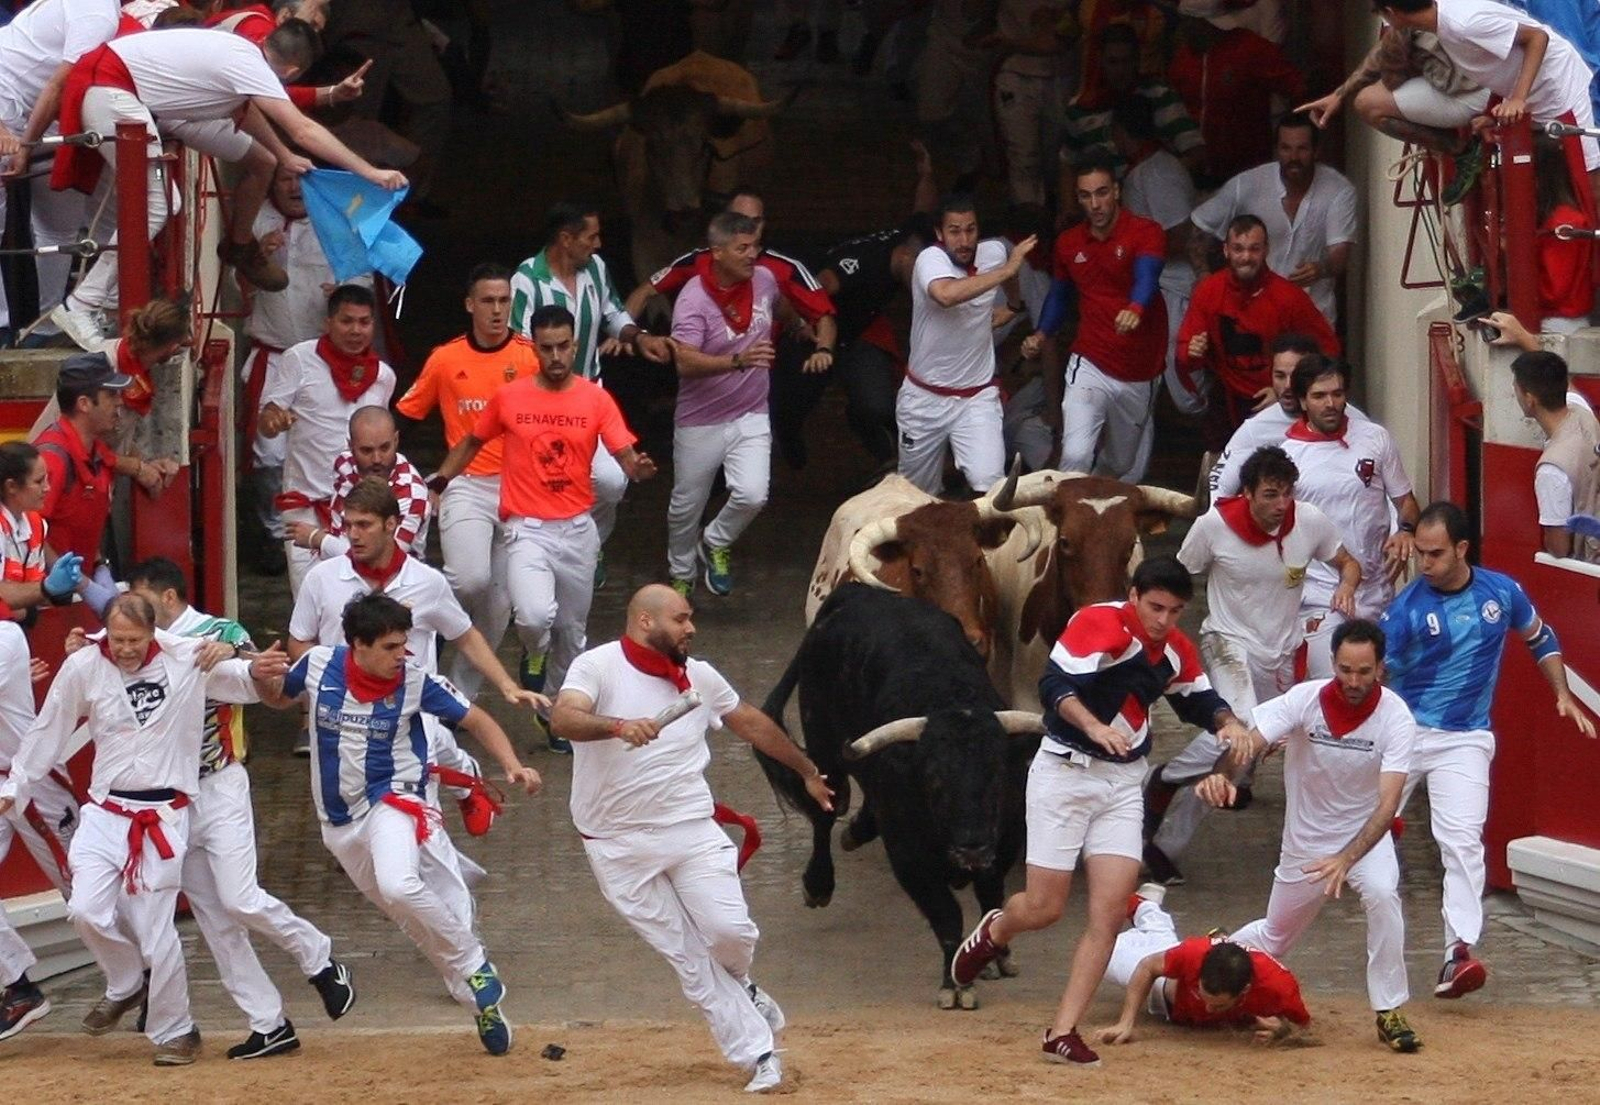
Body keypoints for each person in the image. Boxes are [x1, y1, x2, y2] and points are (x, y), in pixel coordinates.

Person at [949, 556, 1247, 1069]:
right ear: (1134, 596)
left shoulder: (1174, 649)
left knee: (1108, 914)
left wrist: (1228, 722)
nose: (1163, 620)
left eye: (1175, 611)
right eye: (1155, 607)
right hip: (1066, 774)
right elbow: (1055, 686)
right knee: (1045, 908)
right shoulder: (1097, 623)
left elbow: (1199, 700)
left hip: (1123, 783)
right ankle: (997, 930)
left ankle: (1062, 1032)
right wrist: (1093, 727)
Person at [550, 583, 833, 1094]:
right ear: (645, 621)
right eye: (681, 619)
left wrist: (807, 770)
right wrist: (617, 726)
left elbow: (751, 723)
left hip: (690, 829)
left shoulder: (699, 675)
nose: (691, 628)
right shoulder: (597, 666)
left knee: (730, 933)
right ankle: (759, 1054)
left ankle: (742, 985)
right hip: (614, 843)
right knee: (689, 957)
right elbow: (563, 717)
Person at [0, 593, 287, 1065]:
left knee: (155, 931)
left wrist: (254, 666)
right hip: (104, 812)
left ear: (153, 633)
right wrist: (17, 785)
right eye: (118, 639)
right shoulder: (85, 665)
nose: (125, 649)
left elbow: (243, 681)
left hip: (164, 816)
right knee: (85, 910)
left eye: (134, 640)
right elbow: (48, 729)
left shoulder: (186, 658)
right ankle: (126, 981)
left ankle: (177, 1032)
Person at [88, 559, 354, 1059]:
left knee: (240, 898)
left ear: (168, 598)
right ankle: (269, 1022)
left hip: (219, 785)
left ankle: (318, 957)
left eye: (143, 601)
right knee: (214, 917)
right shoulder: (140, 644)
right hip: (171, 801)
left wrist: (235, 652)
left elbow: (265, 681)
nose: (135, 615)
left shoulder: (217, 632)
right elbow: (96, 651)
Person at [278, 592, 541, 1055]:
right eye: (391, 647)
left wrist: (512, 764)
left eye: (404, 644)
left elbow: (477, 720)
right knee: (409, 918)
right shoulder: (318, 664)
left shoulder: (416, 681)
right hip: (337, 822)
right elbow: (277, 697)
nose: (403, 654)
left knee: (400, 886)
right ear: (358, 645)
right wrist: (256, 673)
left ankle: (475, 965)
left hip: (395, 799)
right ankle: (479, 999)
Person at [46, 24, 406, 350]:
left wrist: (282, 155)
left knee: (260, 162)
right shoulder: (250, 65)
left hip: (137, 101)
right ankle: (82, 304)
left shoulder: (246, 52)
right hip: (114, 93)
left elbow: (246, 112)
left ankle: (239, 245)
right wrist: (371, 173)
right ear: (293, 72)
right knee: (158, 202)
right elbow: (303, 130)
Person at [1379, 502, 1596, 997]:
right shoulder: (1406, 610)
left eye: (1435, 554)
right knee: (1358, 835)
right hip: (1404, 734)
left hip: (1465, 739)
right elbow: (1373, 676)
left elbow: (1540, 636)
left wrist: (1561, 692)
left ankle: (1458, 953)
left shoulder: (1502, 592)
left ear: (1461, 549)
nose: (1424, 563)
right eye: (1420, 553)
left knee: (1461, 842)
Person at [1199, 619, 1422, 1054]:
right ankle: (1213, 952)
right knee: (1276, 937)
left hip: (1366, 838)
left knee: (1382, 895)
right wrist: (1223, 775)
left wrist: (1346, 859)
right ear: (1333, 663)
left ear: (1381, 668)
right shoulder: (1304, 699)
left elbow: (1388, 804)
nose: (1353, 682)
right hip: (1305, 841)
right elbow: (1249, 743)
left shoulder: (1396, 718)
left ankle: (1389, 1009)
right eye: (1345, 670)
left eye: (1364, 671)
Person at [1143, 445, 1362, 885]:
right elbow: (1176, 579)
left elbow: (1348, 562)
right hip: (1228, 642)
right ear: (1246, 493)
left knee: (1240, 756)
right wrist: (1163, 639)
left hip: (1281, 653)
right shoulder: (1213, 527)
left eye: (1287, 494)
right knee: (1241, 725)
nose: (1281, 505)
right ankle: (1166, 784)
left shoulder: (1309, 521)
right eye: (1270, 495)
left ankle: (1165, 827)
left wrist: (1346, 587)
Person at [427, 305, 655, 726]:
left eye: (563, 347)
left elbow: (624, 455)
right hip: (526, 529)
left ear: (575, 346)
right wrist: (441, 480)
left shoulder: (595, 398)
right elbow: (472, 442)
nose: (555, 356)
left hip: (578, 529)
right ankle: (534, 650)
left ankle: (557, 711)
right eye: (546, 348)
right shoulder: (510, 397)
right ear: (534, 348)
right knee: (533, 617)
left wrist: (637, 469)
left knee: (572, 632)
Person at [396, 263, 538, 698]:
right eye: (488, 301)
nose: (497, 310)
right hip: (466, 483)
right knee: (469, 580)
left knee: (500, 604)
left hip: (520, 487)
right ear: (469, 305)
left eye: (504, 301)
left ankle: (457, 695)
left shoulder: (531, 357)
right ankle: (434, 626)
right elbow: (405, 416)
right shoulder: (445, 358)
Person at [510, 202, 672, 556]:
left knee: (612, 482)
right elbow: (518, 347)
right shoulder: (526, 279)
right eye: (592, 237)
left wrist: (639, 338)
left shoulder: (596, 268)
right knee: (548, 482)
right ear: (566, 239)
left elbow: (612, 312)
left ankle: (589, 548)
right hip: (541, 403)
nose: (598, 244)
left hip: (588, 394)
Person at [242, 165, 373, 575]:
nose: (293, 187)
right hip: (275, 354)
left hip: (325, 360)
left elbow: (363, 279)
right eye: (284, 178)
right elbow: (235, 284)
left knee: (331, 449)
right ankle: (273, 533)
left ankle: (337, 528)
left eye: (301, 179)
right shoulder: (255, 218)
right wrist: (257, 258)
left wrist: (346, 290)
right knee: (268, 455)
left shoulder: (336, 220)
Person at [1022, 155, 1166, 480]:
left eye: (1102, 193)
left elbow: (1148, 276)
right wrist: (1041, 334)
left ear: (1116, 191)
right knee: (1075, 455)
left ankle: (1092, 493)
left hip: (1139, 369)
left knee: (1120, 464)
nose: (1095, 204)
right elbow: (1059, 295)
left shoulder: (1146, 231)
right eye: (1086, 196)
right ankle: (1067, 510)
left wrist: (1136, 308)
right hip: (1091, 361)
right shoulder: (1068, 243)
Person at [1373, 0, 1600, 203]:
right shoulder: (1444, 21)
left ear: (1392, 13)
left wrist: (1518, 98)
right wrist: (1493, 112)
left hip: (1561, 86)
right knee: (1561, 178)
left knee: (1589, 177)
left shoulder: (1464, 24)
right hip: (1537, 91)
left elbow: (1538, 38)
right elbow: (1495, 66)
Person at [1278, 355, 1419, 678]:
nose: (1330, 404)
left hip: (1378, 592)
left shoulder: (1375, 438)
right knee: (1336, 683)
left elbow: (1406, 502)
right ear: (1302, 401)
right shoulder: (1287, 456)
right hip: (1320, 595)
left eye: (1337, 394)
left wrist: (1406, 530)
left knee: (1379, 688)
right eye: (1319, 396)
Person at [664, 212, 781, 596]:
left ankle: (715, 540)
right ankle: (681, 574)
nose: (752, 255)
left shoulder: (764, 281)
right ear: (717, 252)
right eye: (742, 248)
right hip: (701, 419)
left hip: (751, 412)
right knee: (686, 506)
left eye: (755, 246)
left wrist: (802, 327)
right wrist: (737, 361)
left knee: (753, 494)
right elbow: (684, 362)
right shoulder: (693, 299)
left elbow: (781, 308)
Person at [258, 283, 396, 598]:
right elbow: (267, 420)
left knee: (360, 595)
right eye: (347, 321)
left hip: (359, 507)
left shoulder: (384, 376)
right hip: (305, 503)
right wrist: (275, 421)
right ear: (328, 322)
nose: (356, 330)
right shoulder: (298, 359)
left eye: (364, 322)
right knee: (309, 595)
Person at [898, 196, 1034, 496]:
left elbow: (1007, 268)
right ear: (939, 233)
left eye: (971, 230)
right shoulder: (929, 260)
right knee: (915, 494)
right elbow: (946, 294)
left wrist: (1013, 305)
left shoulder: (994, 252)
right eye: (955, 231)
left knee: (991, 486)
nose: (964, 240)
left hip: (977, 398)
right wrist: (1006, 271)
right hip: (924, 398)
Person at [0, 0, 117, 341]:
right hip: (13, 96)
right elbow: (60, 84)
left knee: (58, 228)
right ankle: (13, 327)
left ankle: (44, 325)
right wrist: (26, 147)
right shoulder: (97, 10)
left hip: (32, 105)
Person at [35, 353, 178, 616]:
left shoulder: (96, 452)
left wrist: (99, 566)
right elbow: (30, 535)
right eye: (111, 395)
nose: (120, 402)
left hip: (73, 596)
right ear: (84, 404)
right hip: (48, 603)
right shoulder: (53, 460)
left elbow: (82, 520)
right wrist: (72, 582)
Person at [1175, 215, 1338, 441]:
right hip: (1228, 397)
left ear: (1266, 250)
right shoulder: (1209, 291)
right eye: (1238, 249)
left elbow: (1328, 351)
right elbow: (1185, 352)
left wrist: (1286, 390)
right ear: (1226, 251)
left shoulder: (1288, 297)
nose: (1246, 257)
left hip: (1280, 403)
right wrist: (1192, 351)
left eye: (1254, 249)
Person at [1190, 112, 1358, 326]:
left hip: (1314, 316)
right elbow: (1200, 226)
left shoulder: (1338, 190)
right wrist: (1205, 277)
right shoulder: (1248, 183)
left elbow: (1340, 254)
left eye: (1302, 149)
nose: (1293, 157)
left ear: (1316, 151)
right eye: (1286, 148)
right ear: (1276, 150)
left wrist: (1320, 268)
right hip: (1253, 317)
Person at [1098, 883, 1312, 1046]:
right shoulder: (1194, 954)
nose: (1209, 1008)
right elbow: (1147, 966)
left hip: (1185, 960)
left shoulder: (1280, 987)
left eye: (1218, 1005)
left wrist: (1283, 1031)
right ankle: (1144, 907)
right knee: (1103, 954)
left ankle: (1150, 911)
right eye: (1202, 995)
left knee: (1163, 944)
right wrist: (1125, 1023)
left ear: (1245, 989)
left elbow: (1303, 1027)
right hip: (1164, 989)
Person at [0, 620, 74, 1041]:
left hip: (32, 778)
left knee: (83, 888)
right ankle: (19, 986)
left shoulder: (5, 636)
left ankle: (147, 974)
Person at [1114, 96, 1203, 418]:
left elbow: (1181, 233)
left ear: (1121, 131)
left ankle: (1215, 431)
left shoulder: (1158, 171)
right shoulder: (1145, 168)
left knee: (1187, 386)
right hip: (1155, 288)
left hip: (1175, 287)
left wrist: (1134, 255)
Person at [1207, 333, 1370, 498]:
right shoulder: (1255, 429)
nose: (1288, 385)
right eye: (1280, 376)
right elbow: (1220, 487)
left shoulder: (1356, 421)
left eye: (1295, 376)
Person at [1298, 21, 1487, 154]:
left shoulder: (1403, 10)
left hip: (1479, 92)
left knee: (1368, 102)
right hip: (1493, 75)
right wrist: (1340, 94)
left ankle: (1464, 151)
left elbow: (1392, 79)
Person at [1167, 13, 1304, 186]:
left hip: (1246, 171)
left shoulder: (1250, 49)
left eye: (1190, 22)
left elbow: (1296, 88)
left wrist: (1295, 139)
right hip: (1194, 174)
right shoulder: (1183, 58)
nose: (1184, 29)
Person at [1061, 22, 1205, 184]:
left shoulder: (1160, 97)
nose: (1120, 70)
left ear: (1137, 60)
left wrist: (1156, 180)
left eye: (1126, 61)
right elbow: (1068, 164)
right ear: (1100, 60)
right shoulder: (1079, 108)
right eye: (1113, 62)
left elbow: (1196, 154)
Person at [288, 406, 429, 560]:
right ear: (351, 446)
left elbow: (385, 558)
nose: (377, 459)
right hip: (337, 562)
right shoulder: (344, 465)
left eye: (384, 448)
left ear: (396, 440)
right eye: (367, 450)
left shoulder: (411, 493)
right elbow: (339, 529)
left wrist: (318, 539)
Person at [1509, 348, 1600, 560]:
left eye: (1516, 389)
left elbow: (1559, 548)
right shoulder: (1582, 411)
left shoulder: (1551, 469)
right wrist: (1522, 337)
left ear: (1530, 399)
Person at [988, 0, 1069, 206]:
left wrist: (1058, 22)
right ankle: (1027, 217)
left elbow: (1067, 35)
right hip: (1013, 74)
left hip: (1059, 76)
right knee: (1023, 158)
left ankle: (1053, 209)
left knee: (1056, 154)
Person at [0, 442, 84, 621]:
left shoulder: (36, 524)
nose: (47, 488)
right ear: (11, 486)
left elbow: (31, 593)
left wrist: (56, 592)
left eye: (46, 479)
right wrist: (46, 588)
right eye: (39, 482)